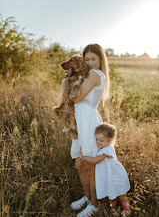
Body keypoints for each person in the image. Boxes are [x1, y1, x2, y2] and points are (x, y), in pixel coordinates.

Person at [70, 44, 110, 217]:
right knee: (80, 164)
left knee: (90, 166)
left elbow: (76, 97)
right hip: (79, 121)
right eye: (87, 60)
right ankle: (87, 197)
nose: (90, 62)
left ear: (101, 60)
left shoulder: (95, 74)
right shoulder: (87, 75)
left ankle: (95, 205)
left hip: (88, 122)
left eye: (94, 59)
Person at [80, 123, 130, 216]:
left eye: (101, 140)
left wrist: (83, 156)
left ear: (109, 140)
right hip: (110, 176)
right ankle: (114, 211)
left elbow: (95, 161)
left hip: (116, 176)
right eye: (96, 139)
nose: (98, 142)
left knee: (122, 196)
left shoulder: (106, 151)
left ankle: (126, 212)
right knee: (112, 195)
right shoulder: (105, 147)